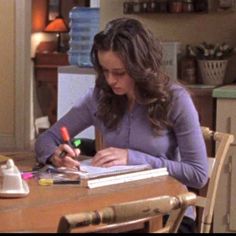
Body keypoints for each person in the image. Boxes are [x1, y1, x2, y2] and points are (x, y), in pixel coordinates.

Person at [35, 17, 208, 233]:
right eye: (105, 71)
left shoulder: (175, 99)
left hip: (168, 217)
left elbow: (198, 174)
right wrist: (56, 156)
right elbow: (46, 139)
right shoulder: (99, 97)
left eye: (119, 73)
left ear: (141, 67)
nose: (110, 80)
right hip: (116, 212)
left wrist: (132, 157)